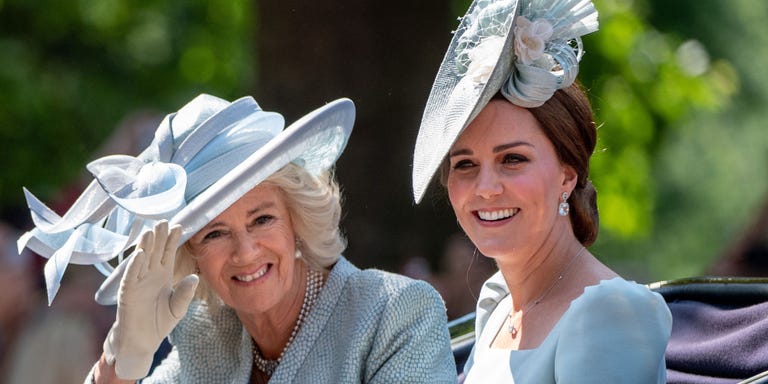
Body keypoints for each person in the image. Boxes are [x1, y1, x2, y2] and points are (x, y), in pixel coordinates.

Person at [18, 94, 457, 383]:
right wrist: (121, 359)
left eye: (262, 219)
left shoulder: (394, 313)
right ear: (191, 252)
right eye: (214, 233)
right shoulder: (207, 336)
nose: (245, 252)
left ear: (296, 219)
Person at [411, 0, 673, 382]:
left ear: (567, 175)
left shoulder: (610, 311)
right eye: (465, 164)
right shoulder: (498, 304)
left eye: (513, 159)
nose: (485, 189)